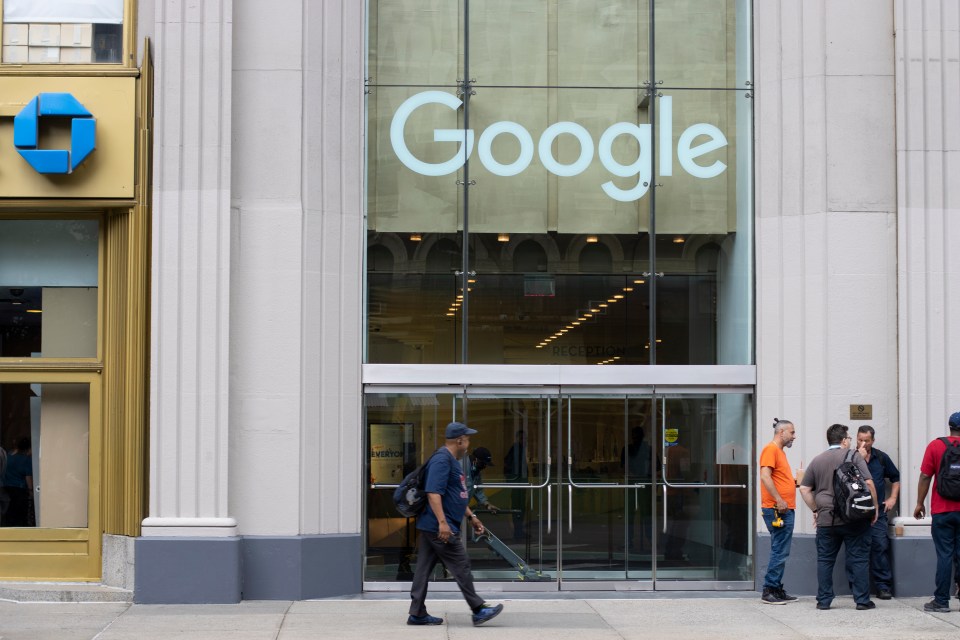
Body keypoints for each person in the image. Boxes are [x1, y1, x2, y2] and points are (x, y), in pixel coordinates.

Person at [407, 422, 504, 627]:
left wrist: (471, 516)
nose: (468, 444)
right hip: (440, 527)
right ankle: (478, 609)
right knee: (461, 565)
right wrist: (443, 523)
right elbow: (434, 493)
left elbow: (456, 494)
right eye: (467, 439)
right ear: (459, 440)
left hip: (433, 525)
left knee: (423, 569)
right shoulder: (442, 460)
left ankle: (416, 613)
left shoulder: (451, 460)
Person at [799, 424, 878, 611]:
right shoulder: (853, 456)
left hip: (826, 518)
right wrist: (873, 510)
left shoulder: (817, 460)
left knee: (825, 560)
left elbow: (804, 489)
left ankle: (824, 601)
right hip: (854, 517)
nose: (850, 441)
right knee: (858, 559)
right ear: (843, 440)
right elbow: (869, 484)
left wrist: (816, 509)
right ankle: (861, 600)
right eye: (849, 438)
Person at [913, 411, 960, 613]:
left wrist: (919, 503)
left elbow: (925, 476)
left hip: (942, 511)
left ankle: (941, 601)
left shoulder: (936, 445)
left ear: (949, 426)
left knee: (944, 555)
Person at [856, 425, 901, 599]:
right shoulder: (850, 457)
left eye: (866, 440)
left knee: (880, 547)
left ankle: (883, 587)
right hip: (855, 514)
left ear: (873, 441)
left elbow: (895, 478)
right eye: (860, 439)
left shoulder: (881, 458)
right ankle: (858, 588)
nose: (863, 443)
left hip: (878, 514)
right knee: (857, 550)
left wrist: (893, 498)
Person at [759, 418, 798, 604]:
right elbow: (765, 476)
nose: (794, 436)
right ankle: (769, 589)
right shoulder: (771, 449)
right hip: (778, 509)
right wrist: (779, 499)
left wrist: (793, 483)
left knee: (781, 549)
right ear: (781, 432)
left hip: (783, 507)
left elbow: (777, 478)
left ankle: (776, 588)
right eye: (792, 432)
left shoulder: (779, 452)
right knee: (780, 550)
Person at [1, 437, 34, 528]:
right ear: (28, 448)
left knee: (9, 514)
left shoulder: (7, 456)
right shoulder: (26, 460)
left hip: (6, 489)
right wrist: (31, 491)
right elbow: (28, 478)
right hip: (20, 491)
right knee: (20, 517)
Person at [503, 430, 528, 541]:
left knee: (520, 507)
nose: (524, 441)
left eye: (525, 439)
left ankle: (519, 531)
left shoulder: (518, 449)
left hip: (519, 482)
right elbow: (510, 464)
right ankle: (518, 532)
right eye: (522, 438)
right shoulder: (517, 449)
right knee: (518, 507)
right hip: (518, 482)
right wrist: (514, 479)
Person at [466, 446, 499, 513]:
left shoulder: (476, 471)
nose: (484, 467)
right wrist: (470, 516)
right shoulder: (460, 467)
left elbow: (478, 490)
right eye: (483, 464)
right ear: (475, 460)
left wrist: (487, 504)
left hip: (462, 510)